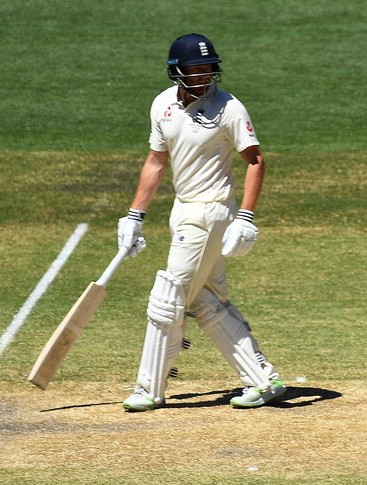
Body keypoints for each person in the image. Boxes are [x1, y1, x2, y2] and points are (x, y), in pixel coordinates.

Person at [118, 33, 286, 412]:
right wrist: (135, 216)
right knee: (207, 301)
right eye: (196, 69)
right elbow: (156, 161)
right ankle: (264, 380)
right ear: (177, 72)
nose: (204, 76)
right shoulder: (162, 105)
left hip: (211, 212)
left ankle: (149, 388)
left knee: (168, 297)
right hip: (183, 210)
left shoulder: (229, 108)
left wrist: (245, 216)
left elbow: (255, 161)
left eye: (209, 69)